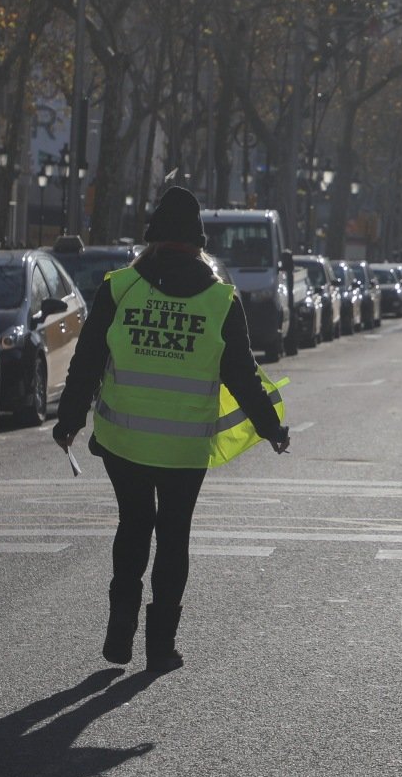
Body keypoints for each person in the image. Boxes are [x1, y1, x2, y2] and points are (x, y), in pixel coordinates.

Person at [52, 185, 290, 673]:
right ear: (199, 244)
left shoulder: (120, 288)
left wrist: (71, 419)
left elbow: (88, 361)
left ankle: (119, 634)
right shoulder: (221, 301)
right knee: (173, 536)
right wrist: (271, 427)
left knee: (133, 527)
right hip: (185, 447)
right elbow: (241, 375)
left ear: (151, 240)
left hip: (124, 441)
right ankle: (160, 647)